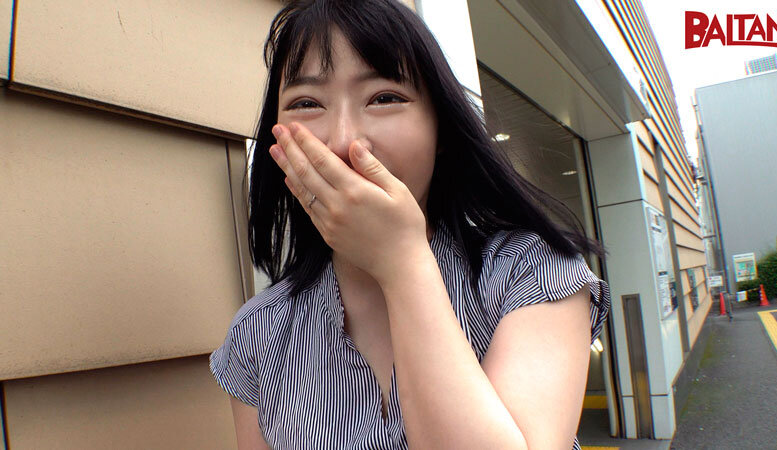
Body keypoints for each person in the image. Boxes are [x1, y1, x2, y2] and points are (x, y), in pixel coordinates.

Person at [210, 0, 611, 449]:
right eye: (306, 103)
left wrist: (401, 262)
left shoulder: (531, 272)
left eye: (384, 98)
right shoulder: (258, 333)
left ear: (441, 127)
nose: (343, 141)